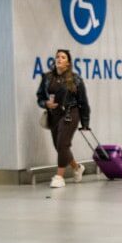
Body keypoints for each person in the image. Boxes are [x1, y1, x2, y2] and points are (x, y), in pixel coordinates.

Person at [36, 49, 90, 189]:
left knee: (62, 143)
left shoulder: (75, 79)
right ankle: (77, 168)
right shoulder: (47, 77)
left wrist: (85, 123)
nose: (59, 59)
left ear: (68, 62)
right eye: (57, 57)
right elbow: (40, 97)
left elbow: (83, 102)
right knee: (59, 146)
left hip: (71, 113)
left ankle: (59, 177)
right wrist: (46, 104)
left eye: (63, 57)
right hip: (54, 114)